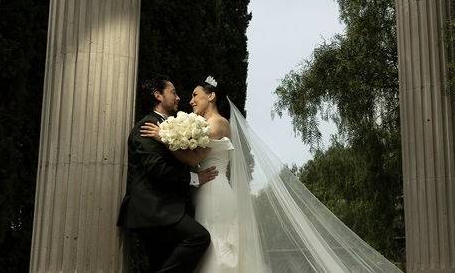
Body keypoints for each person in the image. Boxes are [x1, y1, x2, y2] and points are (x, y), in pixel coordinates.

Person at [141, 76, 403, 273]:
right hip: (203, 189)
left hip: (215, 191)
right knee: (209, 242)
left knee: (217, 244)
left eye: (195, 95)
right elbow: (194, 155)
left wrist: (162, 135)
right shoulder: (201, 125)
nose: (190, 100)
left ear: (211, 96)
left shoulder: (218, 123)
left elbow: (193, 151)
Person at [118, 76, 219, 273]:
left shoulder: (168, 126)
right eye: (173, 92)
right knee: (199, 237)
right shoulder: (145, 127)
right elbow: (156, 169)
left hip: (166, 210)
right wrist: (195, 179)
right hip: (153, 210)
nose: (179, 97)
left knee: (159, 264)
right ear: (158, 95)